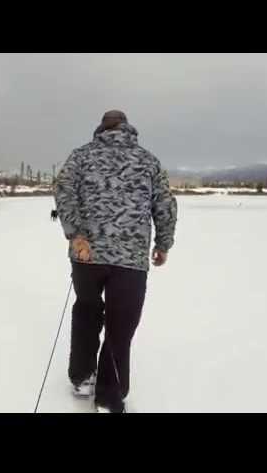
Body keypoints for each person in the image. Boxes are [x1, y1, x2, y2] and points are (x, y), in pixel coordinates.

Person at [54, 110, 177, 413]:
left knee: (87, 309)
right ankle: (109, 397)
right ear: (127, 129)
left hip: (86, 256)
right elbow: (165, 205)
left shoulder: (80, 156)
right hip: (130, 260)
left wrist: (75, 235)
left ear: (101, 129)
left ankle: (83, 376)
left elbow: (62, 190)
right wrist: (163, 244)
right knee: (120, 325)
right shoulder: (148, 160)